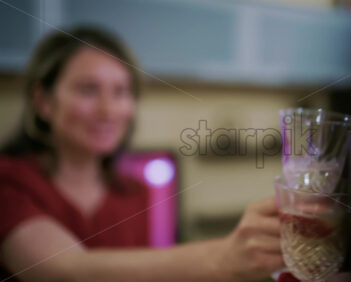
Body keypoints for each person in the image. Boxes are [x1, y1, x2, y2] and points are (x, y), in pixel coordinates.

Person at [0, 27, 284, 281]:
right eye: (88, 90)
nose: (108, 110)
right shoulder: (9, 183)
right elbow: (66, 271)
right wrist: (225, 257)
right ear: (43, 102)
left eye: (121, 92)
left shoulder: (133, 192)